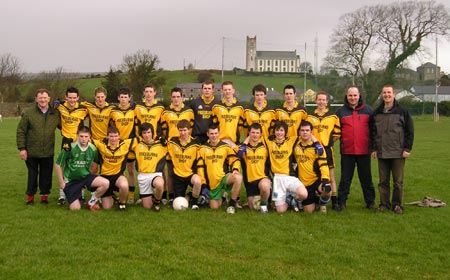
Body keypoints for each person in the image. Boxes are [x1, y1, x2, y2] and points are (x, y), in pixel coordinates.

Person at [371, 85, 414, 214]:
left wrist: (407, 148)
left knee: (398, 182)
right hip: (382, 152)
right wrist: (373, 148)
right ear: (382, 95)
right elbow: (373, 132)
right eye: (384, 93)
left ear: (394, 94)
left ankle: (397, 205)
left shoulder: (402, 111)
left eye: (389, 93)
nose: (387, 95)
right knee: (383, 181)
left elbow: (409, 131)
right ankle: (384, 204)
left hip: (398, 152)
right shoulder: (377, 112)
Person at [16, 88, 61, 205]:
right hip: (32, 151)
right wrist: (22, 149)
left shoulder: (55, 113)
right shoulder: (29, 113)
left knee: (46, 175)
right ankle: (30, 198)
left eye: (45, 97)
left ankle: (44, 197)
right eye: (40, 98)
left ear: (49, 99)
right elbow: (21, 131)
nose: (43, 100)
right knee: (32, 175)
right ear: (36, 99)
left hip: (48, 151)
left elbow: (65, 126)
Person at [336, 86, 376, 211]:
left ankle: (370, 201)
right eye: (350, 95)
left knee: (366, 178)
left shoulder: (369, 111)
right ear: (346, 96)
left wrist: (374, 147)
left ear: (359, 96)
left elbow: (374, 131)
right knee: (345, 179)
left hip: (364, 151)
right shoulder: (340, 112)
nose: (352, 98)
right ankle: (341, 202)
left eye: (355, 95)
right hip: (347, 151)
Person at [54, 126, 109, 211]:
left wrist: (93, 174)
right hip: (71, 180)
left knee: (105, 183)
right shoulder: (68, 147)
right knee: (75, 208)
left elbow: (96, 163)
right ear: (77, 136)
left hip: (85, 177)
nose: (84, 139)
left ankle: (91, 202)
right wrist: (62, 182)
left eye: (86, 136)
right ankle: (76, 196)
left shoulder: (93, 148)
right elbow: (58, 164)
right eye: (81, 136)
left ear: (89, 137)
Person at [196, 124, 243, 214]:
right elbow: (200, 168)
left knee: (238, 178)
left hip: (224, 178)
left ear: (219, 133)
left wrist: (235, 169)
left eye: (216, 133)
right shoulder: (202, 149)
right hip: (213, 183)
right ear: (207, 134)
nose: (214, 136)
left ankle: (232, 205)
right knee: (215, 207)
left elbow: (235, 159)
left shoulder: (225, 147)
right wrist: (204, 184)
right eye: (212, 133)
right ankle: (223, 197)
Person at [160, 88, 195, 204]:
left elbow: (192, 129)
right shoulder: (166, 112)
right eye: (173, 97)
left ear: (182, 97)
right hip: (172, 147)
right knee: (170, 172)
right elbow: (163, 129)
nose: (176, 99)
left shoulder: (189, 111)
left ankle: (192, 194)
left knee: (189, 171)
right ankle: (171, 196)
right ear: (171, 98)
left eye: (178, 97)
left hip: (186, 148)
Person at [307, 92, 341, 210]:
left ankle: (335, 202)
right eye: (319, 100)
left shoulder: (333, 117)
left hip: (326, 150)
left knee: (330, 176)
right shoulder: (310, 116)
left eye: (323, 100)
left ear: (327, 102)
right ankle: (317, 201)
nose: (321, 102)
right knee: (316, 175)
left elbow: (337, 133)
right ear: (316, 101)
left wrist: (328, 142)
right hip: (313, 150)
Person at [55, 86, 88, 205]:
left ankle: (81, 194)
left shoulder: (83, 109)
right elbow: (48, 107)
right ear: (66, 97)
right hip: (66, 140)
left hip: (79, 141)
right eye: (70, 98)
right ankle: (62, 195)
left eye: (74, 98)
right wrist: (55, 102)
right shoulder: (60, 106)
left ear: (78, 98)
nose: (72, 100)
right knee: (63, 165)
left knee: (80, 166)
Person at [265, 121, 308, 213]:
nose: (279, 133)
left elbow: (306, 135)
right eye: (277, 130)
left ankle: (295, 199)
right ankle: (289, 200)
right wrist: (244, 144)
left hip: (290, 177)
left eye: (281, 130)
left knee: (303, 194)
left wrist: (316, 143)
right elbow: (253, 136)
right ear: (274, 131)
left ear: (285, 132)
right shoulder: (268, 141)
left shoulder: (291, 141)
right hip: (277, 180)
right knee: (280, 210)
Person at [92, 126, 134, 211]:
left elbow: (141, 139)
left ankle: (122, 203)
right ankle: (112, 196)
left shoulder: (125, 144)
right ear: (107, 136)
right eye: (111, 136)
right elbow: (87, 139)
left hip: (118, 176)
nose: (113, 139)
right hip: (105, 178)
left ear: (119, 136)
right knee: (107, 207)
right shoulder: (101, 144)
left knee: (124, 185)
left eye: (115, 136)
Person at [293, 121, 332, 213]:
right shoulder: (295, 143)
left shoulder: (318, 147)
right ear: (299, 132)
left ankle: (322, 204)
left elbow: (323, 164)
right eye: (302, 130)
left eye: (307, 130)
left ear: (311, 132)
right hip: (303, 183)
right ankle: (314, 199)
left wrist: (326, 180)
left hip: (315, 180)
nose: (305, 132)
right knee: (309, 211)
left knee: (327, 191)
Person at [109, 87, 137, 204]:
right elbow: (111, 127)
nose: (124, 99)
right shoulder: (113, 112)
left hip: (130, 144)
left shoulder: (134, 110)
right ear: (118, 98)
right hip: (118, 144)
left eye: (126, 97)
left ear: (129, 98)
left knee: (130, 170)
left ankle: (130, 195)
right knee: (118, 170)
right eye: (122, 97)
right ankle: (117, 193)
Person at [167, 119, 202, 210]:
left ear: (189, 130)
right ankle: (189, 195)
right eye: (180, 130)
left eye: (185, 130)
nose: (182, 133)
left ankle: (194, 203)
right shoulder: (172, 142)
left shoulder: (196, 143)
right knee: (179, 201)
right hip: (178, 176)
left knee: (198, 181)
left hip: (190, 174)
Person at [236, 123, 271, 214]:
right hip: (250, 182)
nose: (255, 135)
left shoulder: (265, 146)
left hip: (262, 178)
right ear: (249, 133)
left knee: (265, 186)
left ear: (261, 134)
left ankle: (264, 206)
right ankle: (258, 199)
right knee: (253, 208)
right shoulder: (243, 147)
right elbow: (239, 155)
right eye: (253, 132)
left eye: (257, 133)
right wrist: (245, 143)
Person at [130, 123, 166, 211]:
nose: (147, 135)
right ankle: (151, 197)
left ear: (152, 133)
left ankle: (157, 202)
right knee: (147, 206)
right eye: (144, 133)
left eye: (149, 132)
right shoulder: (136, 144)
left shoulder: (161, 145)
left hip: (155, 174)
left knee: (160, 184)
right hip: (142, 176)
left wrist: (162, 139)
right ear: (141, 134)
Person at [211, 81, 245, 146]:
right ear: (222, 91)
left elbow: (241, 126)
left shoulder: (240, 107)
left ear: (233, 90)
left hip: (234, 142)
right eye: (225, 90)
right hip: (219, 142)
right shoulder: (216, 106)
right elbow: (213, 125)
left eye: (229, 89)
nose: (227, 91)